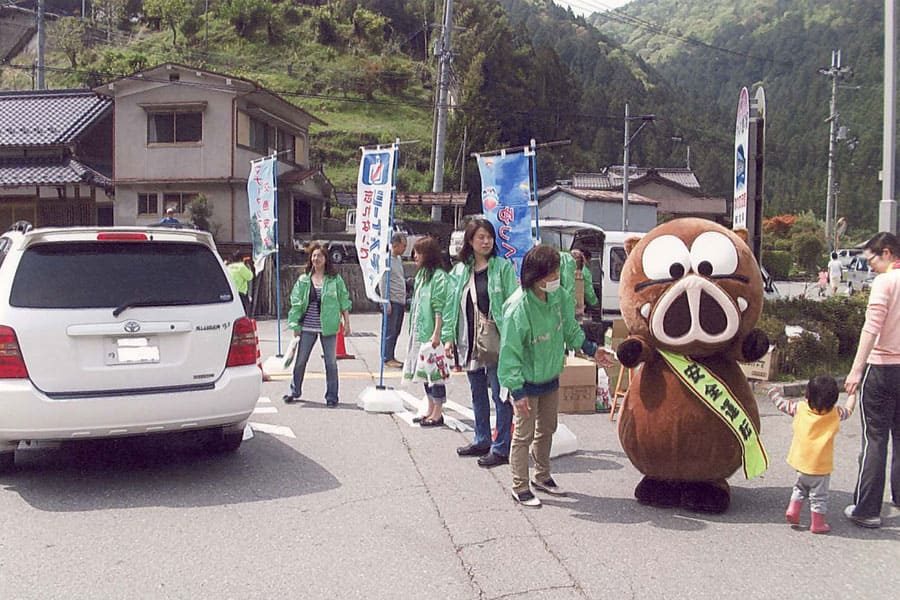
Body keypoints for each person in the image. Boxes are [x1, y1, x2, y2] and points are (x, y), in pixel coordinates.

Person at [499, 245, 615, 507]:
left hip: (550, 376)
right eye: (553, 274)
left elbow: (570, 330)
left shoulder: (558, 297)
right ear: (538, 277)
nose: (557, 279)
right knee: (523, 436)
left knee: (548, 429)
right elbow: (509, 354)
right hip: (526, 383)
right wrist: (516, 392)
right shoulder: (518, 308)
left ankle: (542, 475)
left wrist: (593, 351)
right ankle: (520, 485)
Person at [443, 218, 518, 467]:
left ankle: (501, 447)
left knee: (500, 394)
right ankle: (482, 438)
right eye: (480, 237)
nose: (486, 241)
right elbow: (450, 306)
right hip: (469, 340)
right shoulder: (460, 271)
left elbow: (512, 305)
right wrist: (448, 337)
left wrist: (513, 340)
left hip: (497, 341)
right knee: (477, 392)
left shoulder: (503, 268)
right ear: (470, 241)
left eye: (489, 237)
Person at [843, 232, 900, 528]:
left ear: (887, 253)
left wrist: (855, 370)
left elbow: (871, 329)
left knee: (874, 438)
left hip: (882, 368)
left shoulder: (885, 283)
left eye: (872, 260)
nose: (870, 267)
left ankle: (866, 509)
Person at [769, 376, 854, 534]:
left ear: (807, 395)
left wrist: (773, 392)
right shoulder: (836, 413)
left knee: (800, 488)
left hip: (801, 464)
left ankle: (793, 511)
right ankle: (818, 524)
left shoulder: (799, 408)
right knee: (819, 497)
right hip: (821, 468)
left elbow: (781, 404)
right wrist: (852, 395)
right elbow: (849, 411)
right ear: (834, 399)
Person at [283, 242, 351, 407]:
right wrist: (295, 326)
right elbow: (296, 303)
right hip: (307, 326)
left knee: (331, 362)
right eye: (313, 255)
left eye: (319, 255)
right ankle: (295, 390)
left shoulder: (335, 279)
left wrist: (347, 322)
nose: (316, 258)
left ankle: (332, 396)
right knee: (300, 360)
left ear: (326, 258)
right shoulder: (303, 279)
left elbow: (343, 300)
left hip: (328, 326)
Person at [403, 236, 450, 427]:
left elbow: (439, 306)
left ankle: (438, 413)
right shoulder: (422, 275)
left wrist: (437, 333)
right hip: (419, 331)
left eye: (419, 252)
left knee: (435, 373)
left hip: (431, 333)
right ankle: (430, 408)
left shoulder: (439, 276)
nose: (415, 256)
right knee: (424, 372)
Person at [379, 233, 407, 368]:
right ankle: (386, 357)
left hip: (400, 300)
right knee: (389, 330)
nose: (405, 248)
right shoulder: (387, 260)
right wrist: (385, 301)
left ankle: (391, 355)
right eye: (403, 245)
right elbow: (383, 282)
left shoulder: (398, 259)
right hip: (392, 300)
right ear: (395, 245)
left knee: (396, 330)